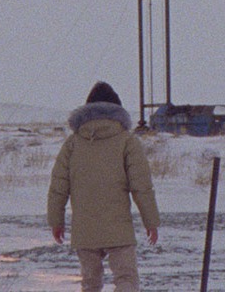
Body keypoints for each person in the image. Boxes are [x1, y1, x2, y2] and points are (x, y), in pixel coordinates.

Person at [47, 81, 160, 292]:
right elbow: (141, 186)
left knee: (90, 284)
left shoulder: (72, 144)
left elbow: (58, 187)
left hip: (85, 229)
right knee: (126, 280)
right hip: (119, 228)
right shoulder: (127, 141)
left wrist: (56, 221)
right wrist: (151, 222)